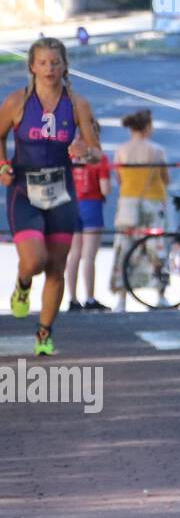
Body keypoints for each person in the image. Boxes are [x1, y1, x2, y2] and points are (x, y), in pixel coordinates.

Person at [1, 38, 102, 355]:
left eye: (55, 63)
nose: (49, 69)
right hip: (24, 189)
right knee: (34, 260)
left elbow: (97, 152)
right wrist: (2, 164)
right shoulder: (17, 102)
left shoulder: (77, 105)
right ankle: (22, 283)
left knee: (57, 266)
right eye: (43, 63)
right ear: (31, 66)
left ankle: (44, 333)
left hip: (61, 191)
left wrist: (86, 150)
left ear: (65, 66)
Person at [109, 110, 170, 311]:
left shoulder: (121, 150)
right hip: (153, 201)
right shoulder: (157, 150)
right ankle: (161, 294)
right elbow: (165, 178)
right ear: (147, 127)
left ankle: (121, 298)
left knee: (124, 249)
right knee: (156, 248)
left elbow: (119, 178)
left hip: (128, 202)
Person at [67, 119, 112, 311]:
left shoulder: (70, 154)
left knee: (74, 254)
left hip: (71, 204)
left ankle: (72, 298)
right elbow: (106, 188)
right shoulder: (99, 158)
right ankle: (90, 298)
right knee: (89, 256)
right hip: (92, 204)